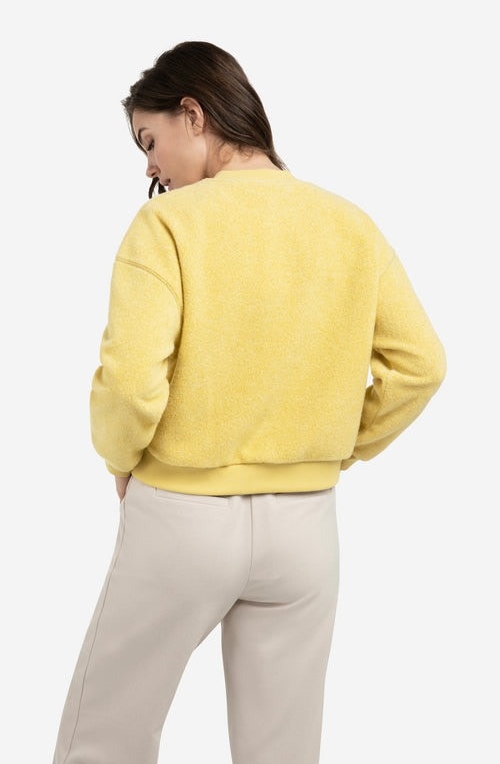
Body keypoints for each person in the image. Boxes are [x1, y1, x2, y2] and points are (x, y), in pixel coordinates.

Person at [51, 40, 446, 764]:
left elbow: (131, 381)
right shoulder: (349, 224)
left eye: (150, 141)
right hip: (306, 528)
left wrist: (120, 459)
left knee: (102, 737)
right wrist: (336, 445)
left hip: (182, 515)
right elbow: (421, 365)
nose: (149, 167)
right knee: (282, 752)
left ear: (193, 114)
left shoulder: (168, 225)